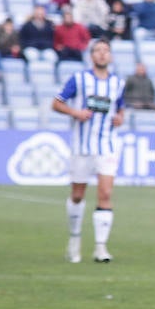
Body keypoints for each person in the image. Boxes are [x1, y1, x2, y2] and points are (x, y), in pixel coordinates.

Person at [52, 39, 126, 264]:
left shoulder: (117, 83)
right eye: (98, 51)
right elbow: (56, 103)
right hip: (82, 146)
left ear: (110, 56)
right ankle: (74, 241)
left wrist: (119, 118)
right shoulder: (79, 79)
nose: (102, 54)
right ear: (91, 56)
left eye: (106, 51)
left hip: (107, 145)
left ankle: (100, 248)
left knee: (105, 194)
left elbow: (120, 109)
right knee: (77, 195)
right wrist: (75, 112)